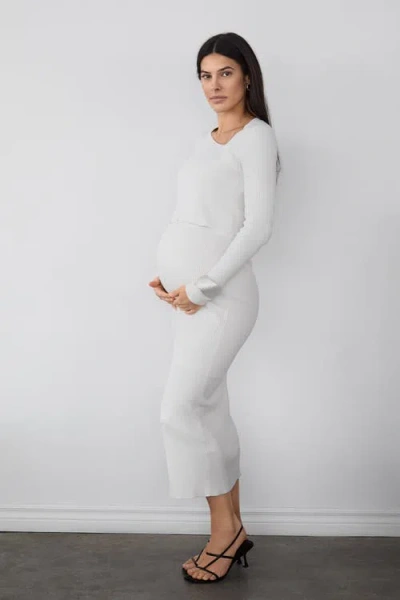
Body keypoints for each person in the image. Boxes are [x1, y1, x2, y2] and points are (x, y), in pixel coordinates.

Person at [148, 31, 281, 584]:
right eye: (205, 75)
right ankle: (233, 528)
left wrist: (200, 287)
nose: (214, 85)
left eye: (225, 72)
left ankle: (224, 534)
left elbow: (257, 227)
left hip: (222, 300)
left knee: (180, 409)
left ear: (247, 75)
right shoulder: (206, 140)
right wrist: (169, 277)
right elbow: (194, 216)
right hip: (189, 299)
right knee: (209, 412)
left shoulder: (256, 137)